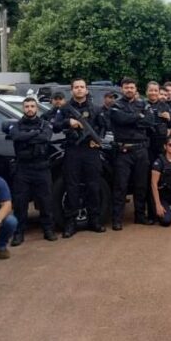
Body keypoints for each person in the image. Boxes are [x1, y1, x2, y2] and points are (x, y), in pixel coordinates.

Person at [53, 78, 108, 237]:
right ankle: (70, 223)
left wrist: (98, 142)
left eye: (82, 87)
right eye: (76, 87)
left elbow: (104, 126)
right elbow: (55, 126)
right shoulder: (65, 109)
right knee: (72, 187)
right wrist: (67, 122)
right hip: (73, 151)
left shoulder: (96, 109)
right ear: (72, 90)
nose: (79, 89)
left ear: (86, 90)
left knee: (93, 186)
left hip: (91, 152)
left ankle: (94, 220)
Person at [109, 77, 159, 230]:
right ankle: (117, 219)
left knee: (141, 185)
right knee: (120, 186)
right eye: (126, 87)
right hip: (124, 151)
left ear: (136, 89)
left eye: (132, 87)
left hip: (141, 150)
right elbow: (120, 119)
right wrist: (138, 116)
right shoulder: (116, 105)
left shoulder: (143, 104)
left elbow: (150, 121)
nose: (129, 90)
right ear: (122, 89)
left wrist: (134, 119)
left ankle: (140, 216)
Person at [7, 96, 56, 245]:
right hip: (23, 169)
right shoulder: (16, 125)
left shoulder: (45, 124)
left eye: (32, 106)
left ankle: (48, 230)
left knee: (45, 201)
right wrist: (34, 134)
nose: (30, 109)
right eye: (27, 106)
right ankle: (18, 233)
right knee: (20, 204)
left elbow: (46, 138)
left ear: (36, 108)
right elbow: (16, 136)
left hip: (41, 168)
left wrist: (26, 138)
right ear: (23, 108)